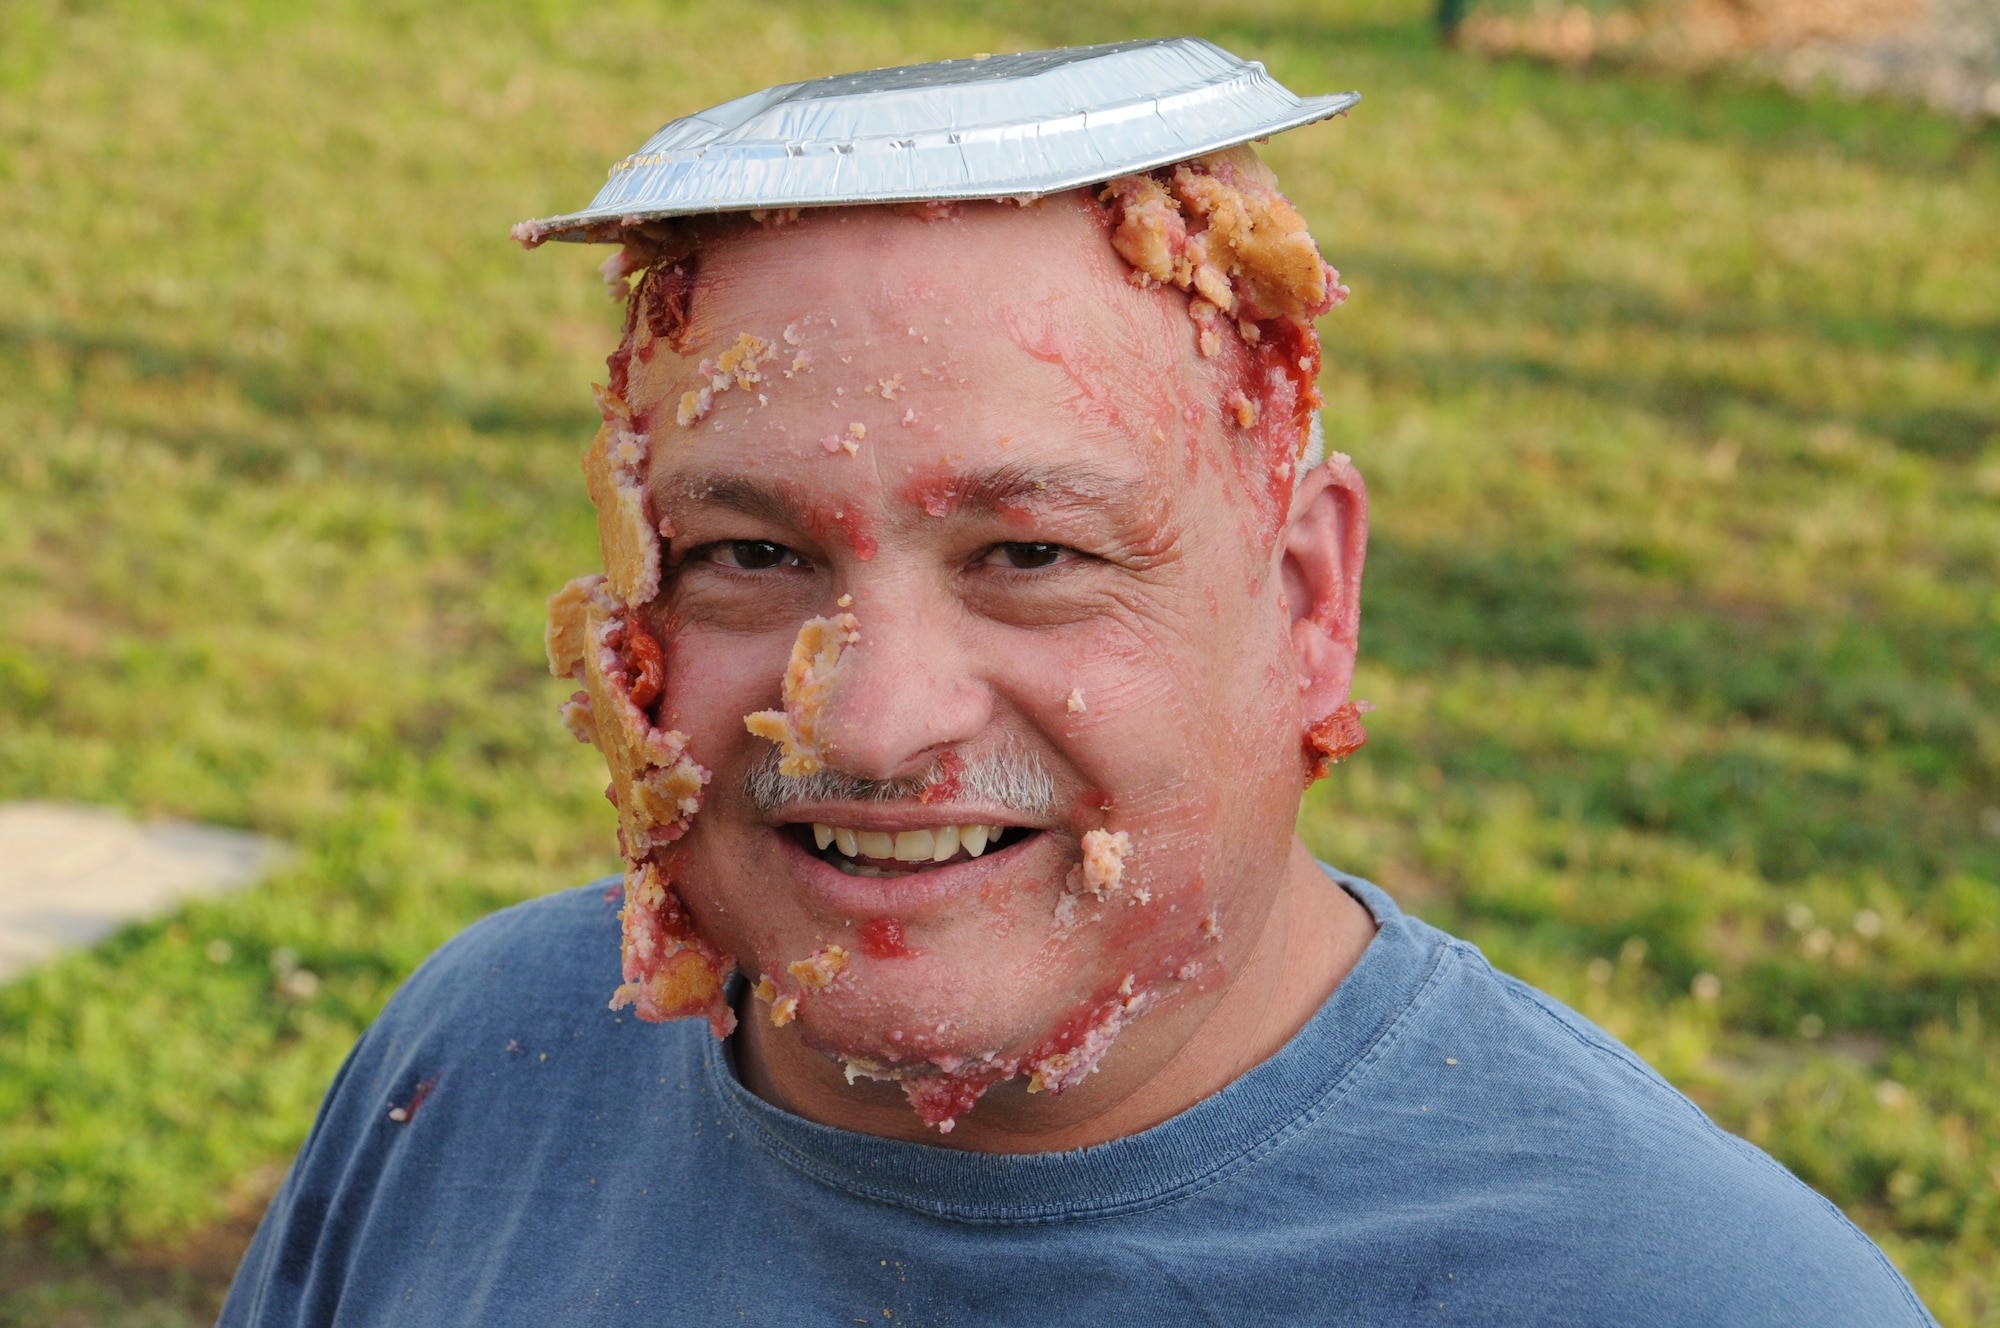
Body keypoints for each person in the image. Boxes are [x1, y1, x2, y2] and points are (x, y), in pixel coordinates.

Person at [220, 47, 1936, 1328]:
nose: (875, 722)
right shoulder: (478, 1071)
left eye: (1030, 556)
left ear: (1307, 601)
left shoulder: (1684, 1295)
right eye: (749, 553)